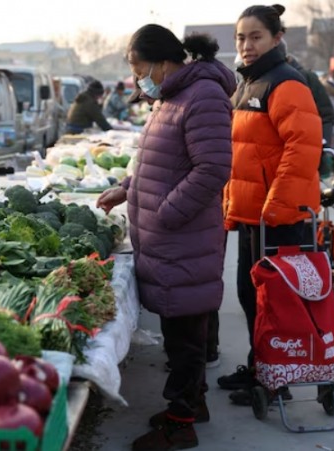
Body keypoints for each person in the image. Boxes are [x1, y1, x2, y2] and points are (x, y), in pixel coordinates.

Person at [97, 25, 235, 450]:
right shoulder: (171, 97)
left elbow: (212, 169)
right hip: (171, 237)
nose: (139, 77)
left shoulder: (203, 95)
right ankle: (194, 402)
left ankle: (180, 423)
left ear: (163, 60)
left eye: (140, 68)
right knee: (181, 331)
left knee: (186, 334)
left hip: (183, 236)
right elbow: (158, 160)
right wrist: (128, 186)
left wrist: (166, 211)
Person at [218, 4, 322, 406]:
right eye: (241, 38)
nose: (246, 45)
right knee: (250, 295)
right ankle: (260, 366)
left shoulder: (286, 83)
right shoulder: (248, 83)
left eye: (256, 36)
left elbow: (303, 149)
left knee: (273, 302)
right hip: (253, 215)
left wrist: (277, 205)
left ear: (277, 38)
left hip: (276, 217)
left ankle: (274, 380)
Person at [279, 39, 334, 146]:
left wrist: (323, 145)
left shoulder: (306, 78)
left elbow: (326, 115)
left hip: (305, 148)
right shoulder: (259, 81)